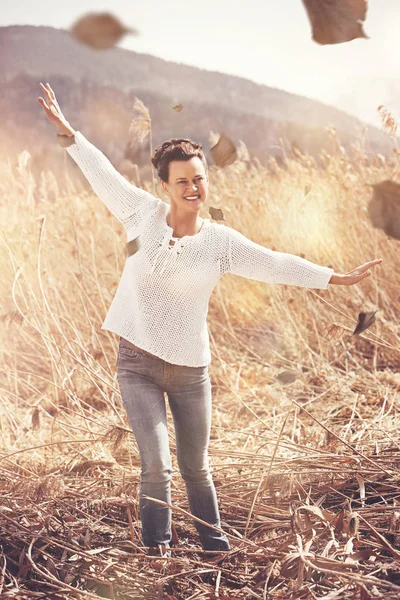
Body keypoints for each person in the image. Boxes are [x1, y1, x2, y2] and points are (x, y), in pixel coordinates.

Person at [37, 82, 383, 557]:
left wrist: (335, 278)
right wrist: (69, 133)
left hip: (189, 373)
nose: (193, 188)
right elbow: (103, 175)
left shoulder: (220, 241)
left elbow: (275, 262)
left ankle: (214, 546)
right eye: (181, 181)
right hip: (135, 364)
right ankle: (157, 551)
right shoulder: (142, 213)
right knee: (156, 464)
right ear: (165, 186)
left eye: (199, 179)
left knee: (196, 468)